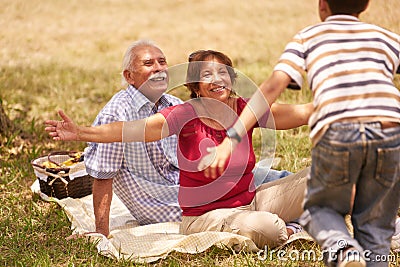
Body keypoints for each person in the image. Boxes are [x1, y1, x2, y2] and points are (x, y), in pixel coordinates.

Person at [45, 50, 313, 249]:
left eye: (223, 73)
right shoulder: (185, 114)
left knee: (324, 177)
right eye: (207, 75)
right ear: (195, 87)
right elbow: (130, 129)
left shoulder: (244, 109)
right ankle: (290, 226)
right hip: (205, 216)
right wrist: (80, 132)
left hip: (253, 200)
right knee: (267, 228)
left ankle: (293, 217)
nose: (217, 79)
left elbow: (301, 113)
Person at [204, 1, 400, 266]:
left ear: (322, 6)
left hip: (340, 134)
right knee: (375, 227)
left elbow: (273, 86)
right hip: (390, 136)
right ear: (365, 5)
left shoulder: (309, 37)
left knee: (319, 209)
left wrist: (232, 137)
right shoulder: (386, 37)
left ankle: (343, 250)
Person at [83, 40, 183, 238]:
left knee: (255, 179)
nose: (159, 69)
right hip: (163, 208)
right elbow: (103, 176)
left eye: (162, 62)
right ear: (129, 76)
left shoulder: (174, 103)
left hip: (185, 188)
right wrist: (101, 231)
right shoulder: (117, 114)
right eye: (148, 64)